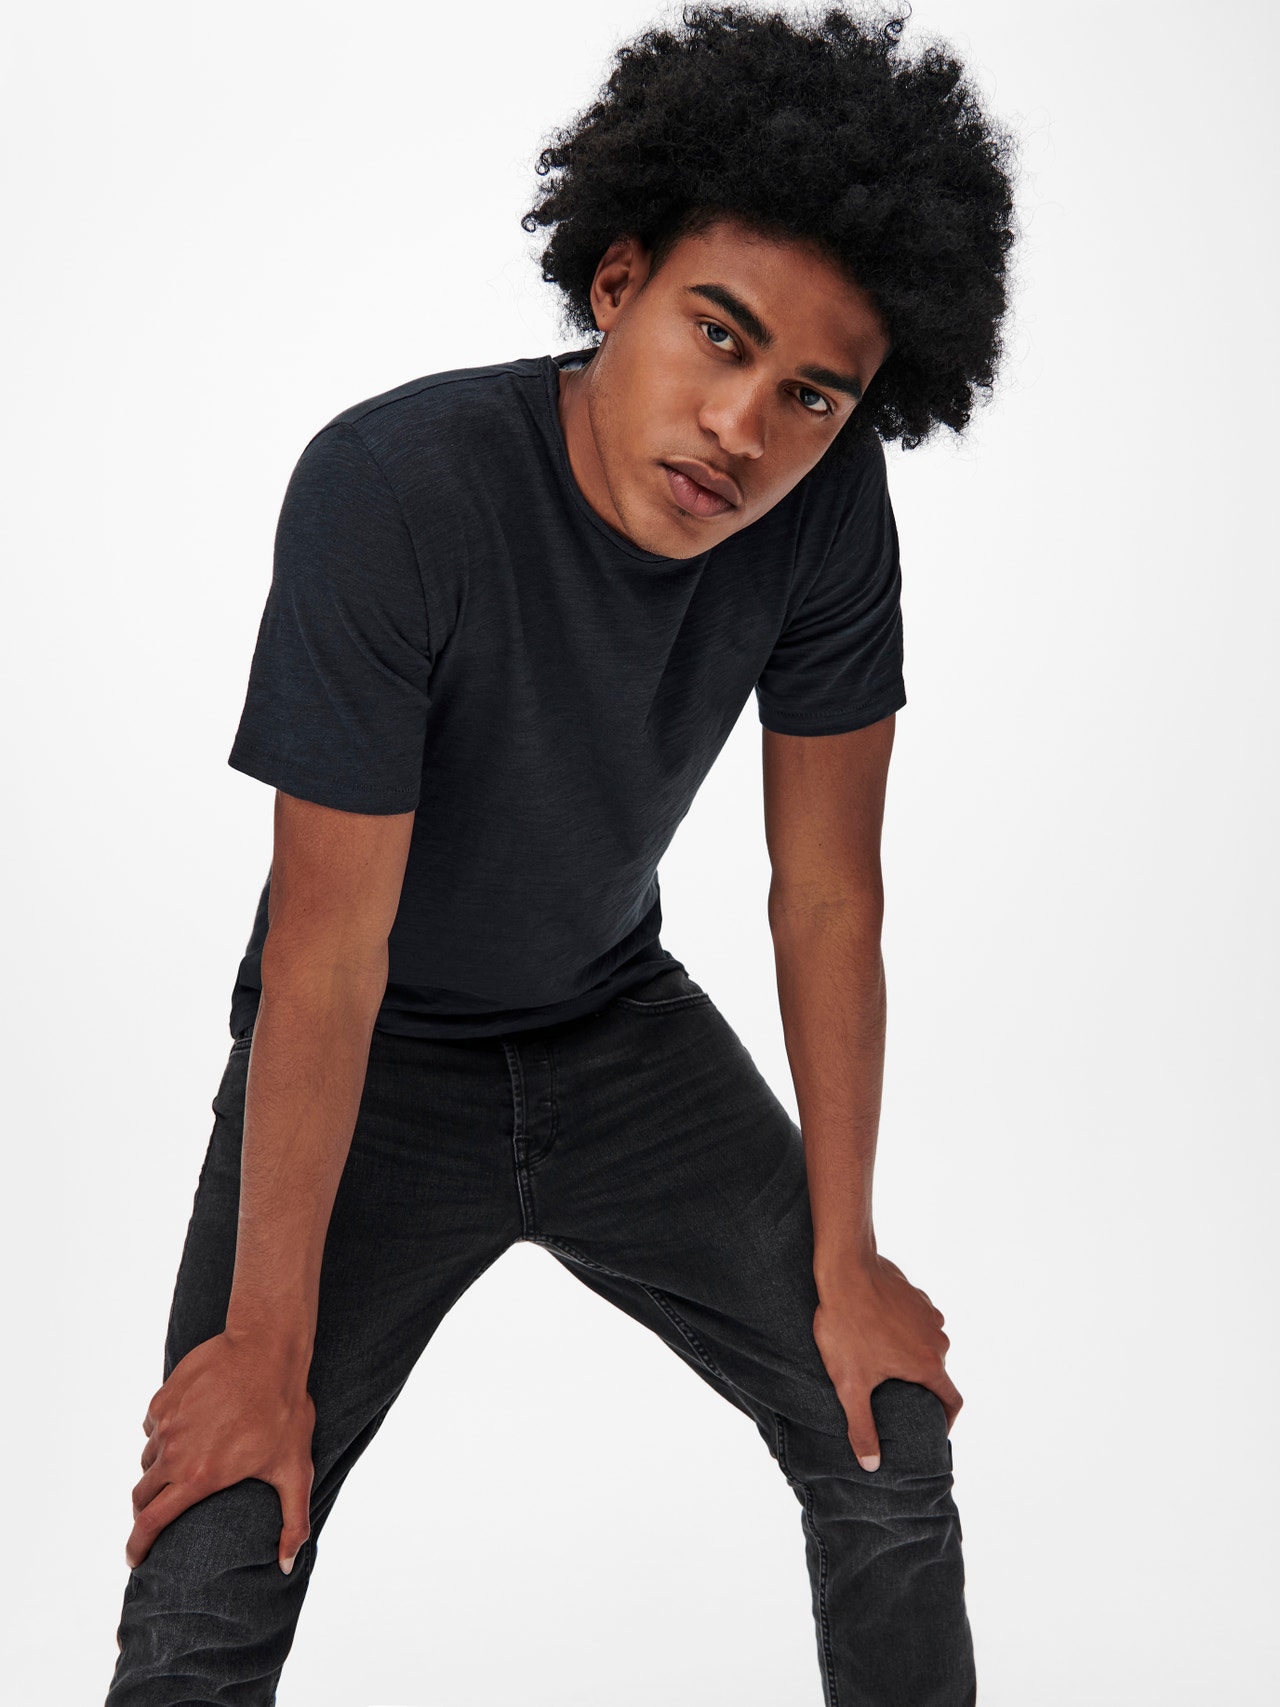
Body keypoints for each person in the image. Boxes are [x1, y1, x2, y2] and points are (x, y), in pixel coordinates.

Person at [105, 6, 1015, 1703]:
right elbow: (326, 956)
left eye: (811, 395)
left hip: (616, 1035)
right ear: (616, 283)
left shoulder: (826, 516)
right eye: (717, 336)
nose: (743, 427)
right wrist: (267, 1347)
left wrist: (847, 1254)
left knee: (887, 1434)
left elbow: (830, 895)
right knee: (217, 1533)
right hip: (373, 1058)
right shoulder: (393, 490)